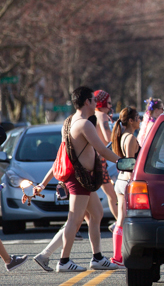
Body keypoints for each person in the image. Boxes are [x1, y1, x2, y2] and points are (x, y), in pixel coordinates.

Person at [34, 86, 122, 273]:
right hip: (79, 178)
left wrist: (43, 183)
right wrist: (124, 162)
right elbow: (102, 149)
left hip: (84, 179)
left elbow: (61, 157)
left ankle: (97, 258)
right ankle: (64, 261)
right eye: (93, 99)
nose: (96, 103)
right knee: (74, 219)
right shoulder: (84, 124)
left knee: (96, 214)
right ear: (87, 102)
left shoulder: (69, 122)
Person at [110, 107, 141, 266]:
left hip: (120, 180)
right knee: (129, 220)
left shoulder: (123, 137)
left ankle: (117, 257)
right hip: (127, 181)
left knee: (120, 220)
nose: (139, 120)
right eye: (137, 118)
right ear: (130, 120)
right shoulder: (130, 138)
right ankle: (121, 255)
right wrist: (133, 184)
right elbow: (130, 163)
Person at [93, 90, 118, 229]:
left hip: (94, 159)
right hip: (99, 161)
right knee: (112, 195)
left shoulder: (93, 115)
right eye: (108, 103)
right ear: (101, 103)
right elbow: (108, 137)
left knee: (88, 196)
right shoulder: (102, 115)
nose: (110, 106)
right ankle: (119, 223)